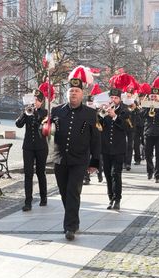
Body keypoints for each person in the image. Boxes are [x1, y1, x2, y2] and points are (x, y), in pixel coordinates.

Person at [50, 66, 101, 241]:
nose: (73, 93)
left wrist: (94, 162)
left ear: (82, 94)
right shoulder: (56, 111)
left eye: (77, 91)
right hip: (60, 159)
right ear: (67, 93)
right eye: (71, 90)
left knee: (73, 191)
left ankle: (70, 227)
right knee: (64, 192)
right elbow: (48, 130)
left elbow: (95, 139)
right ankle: (73, 219)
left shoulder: (90, 113)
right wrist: (45, 128)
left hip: (79, 160)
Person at [15, 85, 49, 212]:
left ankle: (43, 197)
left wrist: (35, 114)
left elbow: (43, 125)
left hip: (41, 147)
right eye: (32, 99)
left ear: (40, 101)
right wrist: (25, 113)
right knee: (28, 174)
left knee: (41, 172)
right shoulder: (27, 110)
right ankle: (28, 201)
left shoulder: (44, 113)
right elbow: (18, 124)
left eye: (36, 100)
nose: (33, 102)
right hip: (28, 146)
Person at [99, 81, 129, 210]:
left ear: (119, 99)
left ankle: (117, 199)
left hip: (118, 148)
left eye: (115, 98)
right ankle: (110, 197)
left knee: (116, 173)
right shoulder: (104, 110)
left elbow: (127, 127)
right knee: (107, 174)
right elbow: (98, 126)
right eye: (111, 98)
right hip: (105, 147)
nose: (113, 100)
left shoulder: (125, 111)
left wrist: (115, 116)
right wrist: (99, 114)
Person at [141, 77, 159, 183]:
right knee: (148, 154)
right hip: (148, 133)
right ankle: (149, 171)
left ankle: (158, 174)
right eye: (152, 96)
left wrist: (157, 108)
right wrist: (148, 107)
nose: (153, 97)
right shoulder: (146, 105)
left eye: (155, 96)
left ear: (158, 96)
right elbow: (141, 115)